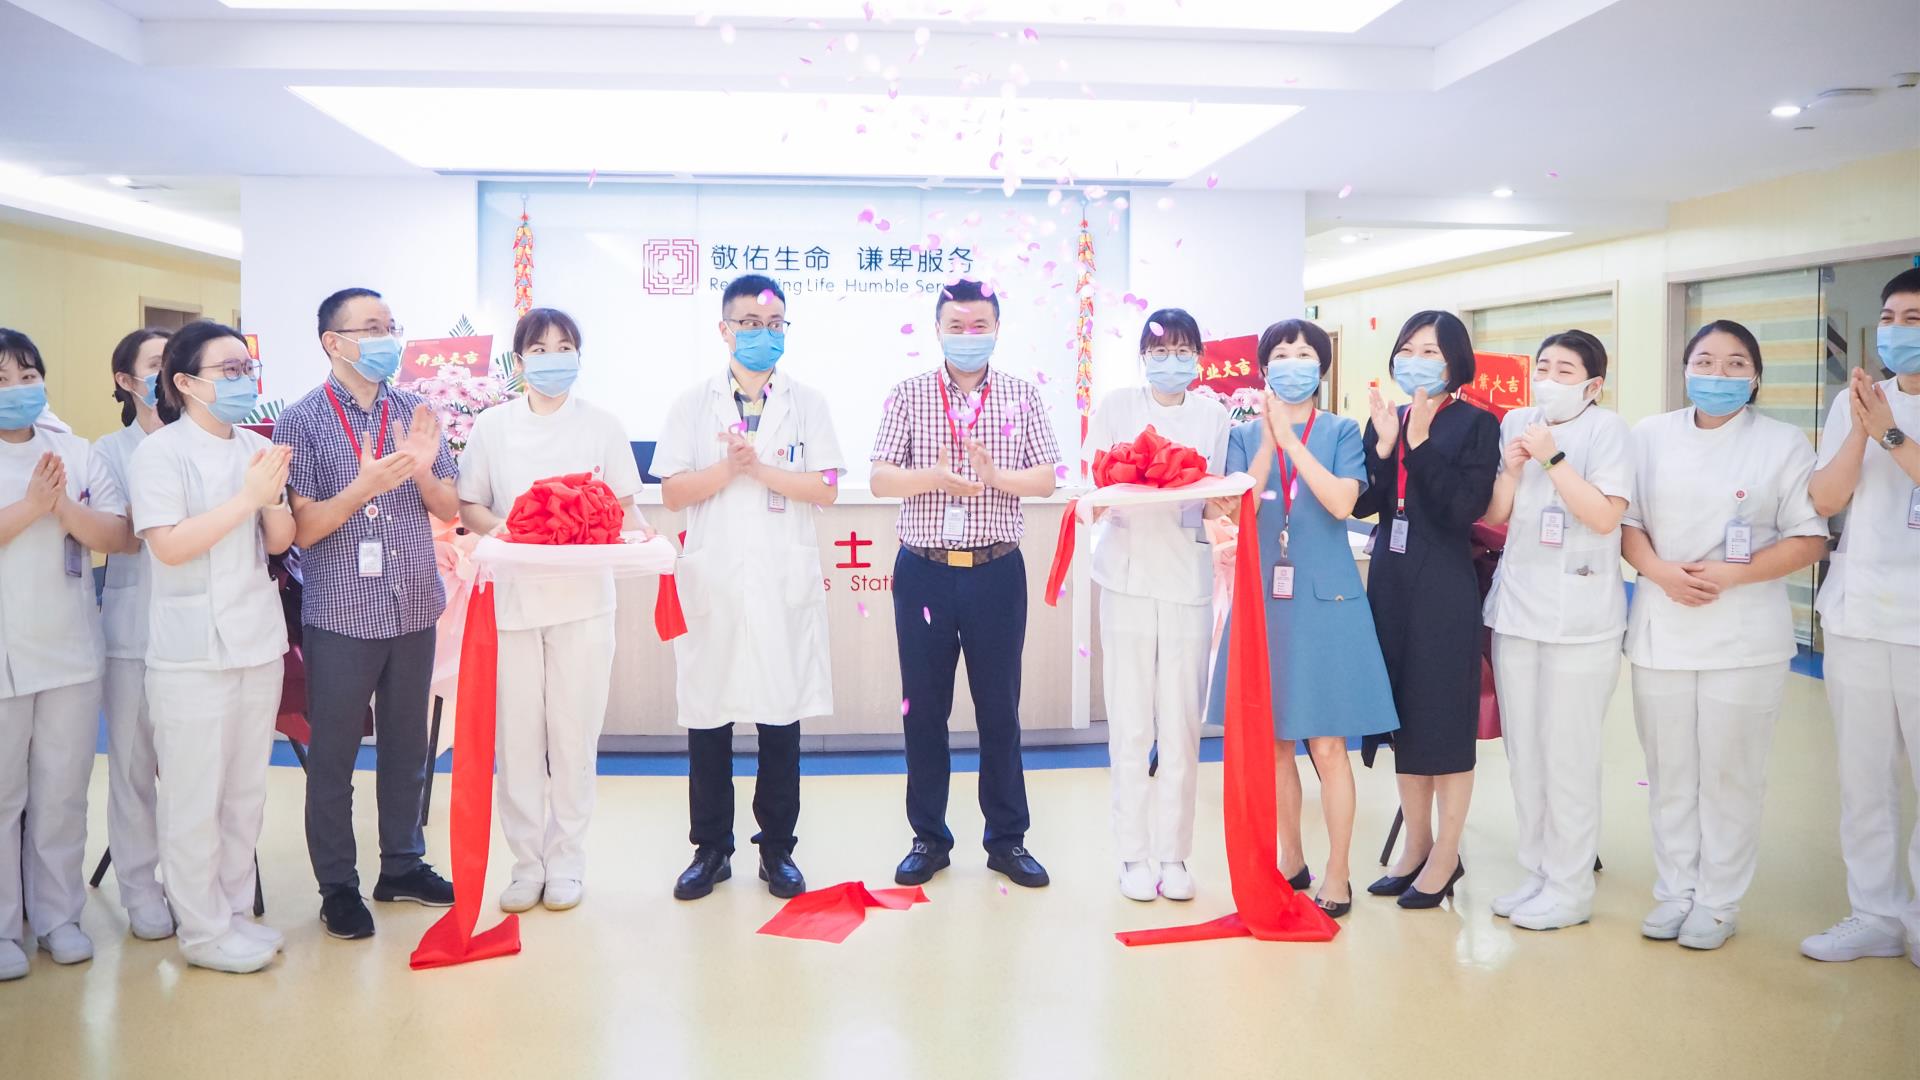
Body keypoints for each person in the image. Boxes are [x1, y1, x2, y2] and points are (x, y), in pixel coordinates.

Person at [1621, 319, 1826, 951]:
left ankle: (1717, 901)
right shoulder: (1650, 435)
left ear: (1756, 376)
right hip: (1662, 624)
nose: (1719, 373)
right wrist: (1659, 572)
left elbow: (1809, 538)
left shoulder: (1782, 442)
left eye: (1736, 363)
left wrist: (1733, 575)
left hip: (1744, 634)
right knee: (1669, 770)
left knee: (1731, 773)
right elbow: (1627, 522)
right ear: (1685, 368)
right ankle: (1675, 891)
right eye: (1706, 361)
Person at [274, 287, 458, 940]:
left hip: (413, 605)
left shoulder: (414, 412)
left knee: (408, 748)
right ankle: (338, 886)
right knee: (335, 756)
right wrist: (366, 486)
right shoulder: (301, 421)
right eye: (371, 327)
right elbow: (302, 530)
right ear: (334, 342)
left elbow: (448, 508)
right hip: (342, 615)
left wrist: (424, 471)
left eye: (390, 325)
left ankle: (402, 865)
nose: (387, 338)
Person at [653, 275, 844, 902]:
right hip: (714, 580)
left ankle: (778, 850)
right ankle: (710, 851)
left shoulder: (807, 402)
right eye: (751, 324)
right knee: (708, 718)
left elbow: (825, 488)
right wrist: (727, 469)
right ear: (724, 329)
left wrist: (759, 469)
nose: (764, 335)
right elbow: (672, 493)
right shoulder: (692, 403)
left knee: (779, 716)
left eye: (774, 325)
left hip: (780, 577)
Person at [871, 278, 1061, 889]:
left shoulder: (1021, 395)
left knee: (999, 709)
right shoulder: (908, 394)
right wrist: (932, 476)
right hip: (924, 571)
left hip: (995, 572)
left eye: (979, 326)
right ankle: (929, 838)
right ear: (938, 330)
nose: (968, 336)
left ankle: (1007, 840)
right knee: (924, 710)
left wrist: (995, 476)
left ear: (997, 329)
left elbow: (1046, 479)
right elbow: (879, 479)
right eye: (956, 326)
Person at [458, 307, 648, 914]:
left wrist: (642, 537)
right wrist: (513, 533)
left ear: (579, 355)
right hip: (513, 602)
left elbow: (624, 508)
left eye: (564, 346)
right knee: (517, 741)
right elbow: (470, 505)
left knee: (573, 738)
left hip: (585, 603)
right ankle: (525, 865)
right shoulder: (493, 427)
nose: (553, 358)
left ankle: (566, 861)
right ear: (520, 362)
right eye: (539, 349)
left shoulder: (603, 425)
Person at [1208, 318, 1399, 918]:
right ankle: (1290, 859)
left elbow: (1342, 502)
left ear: (1321, 367)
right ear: (1264, 368)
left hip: (1328, 604)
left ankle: (1339, 871)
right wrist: (1268, 444)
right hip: (1265, 604)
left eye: (1304, 354)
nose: (1293, 364)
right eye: (1282, 355)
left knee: (1329, 745)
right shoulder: (1241, 436)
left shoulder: (1341, 431)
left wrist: (1293, 444)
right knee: (1275, 744)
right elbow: (1236, 512)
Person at [129, 321, 293, 974]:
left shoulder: (258, 447)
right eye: (228, 370)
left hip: (256, 640)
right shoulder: (160, 454)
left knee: (244, 792)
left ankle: (233, 912)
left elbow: (278, 542)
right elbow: (168, 546)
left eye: (246, 368)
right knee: (194, 796)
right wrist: (247, 498)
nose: (243, 380)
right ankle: (200, 931)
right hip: (190, 652)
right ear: (186, 382)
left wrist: (271, 500)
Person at [1480, 329, 1631, 931]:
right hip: (1518, 608)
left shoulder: (1608, 430)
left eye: (1565, 371)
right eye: (1542, 367)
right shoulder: (1516, 421)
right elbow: (1495, 514)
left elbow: (1603, 516)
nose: (1548, 379)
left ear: (1593, 385)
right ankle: (1538, 871)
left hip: (1582, 616)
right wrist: (1512, 470)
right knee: (1526, 753)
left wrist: (1552, 458)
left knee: (1568, 754)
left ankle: (1571, 887)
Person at [1083, 308, 1230, 903]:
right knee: (1129, 723)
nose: (1172, 361)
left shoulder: (1214, 415)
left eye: (1183, 350)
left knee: (1181, 726)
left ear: (1199, 357)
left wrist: (1225, 500)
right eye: (1160, 350)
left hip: (1187, 579)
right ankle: (1132, 854)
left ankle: (1174, 854)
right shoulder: (1116, 406)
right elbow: (1095, 486)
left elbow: (1217, 496)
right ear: (1143, 356)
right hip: (1125, 576)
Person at [1354, 310, 1500, 909]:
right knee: (1404, 718)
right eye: (1408, 349)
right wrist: (1385, 445)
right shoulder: (1388, 417)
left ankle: (1446, 853)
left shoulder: (1477, 424)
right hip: (1391, 581)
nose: (1416, 361)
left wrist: (1417, 447)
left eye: (1431, 351)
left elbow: (1462, 509)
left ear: (1456, 361)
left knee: (1444, 720)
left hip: (1443, 584)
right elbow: (1367, 504)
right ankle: (1415, 844)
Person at [0, 328, 132, 980]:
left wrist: (65, 513)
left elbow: (120, 534)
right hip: (6, 652)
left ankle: (59, 917)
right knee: (4, 797)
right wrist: (32, 507)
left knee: (62, 792)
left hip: (72, 650)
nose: (18, 390)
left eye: (27, 376)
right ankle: (4, 928)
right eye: (2, 380)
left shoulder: (74, 451)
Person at [1800, 269, 1920, 969]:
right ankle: (1875, 913)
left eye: (1915, 319)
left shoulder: (1886, 417)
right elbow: (1824, 498)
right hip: (1861, 614)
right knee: (1864, 778)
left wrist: (1891, 433)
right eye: (1891, 318)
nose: (1899, 331)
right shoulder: (1856, 405)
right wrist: (1859, 428)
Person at [92, 327, 177, 942]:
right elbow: (122, 531)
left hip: (195, 635)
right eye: (155, 364)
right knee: (131, 769)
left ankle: (191, 883)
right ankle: (141, 890)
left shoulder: (205, 441)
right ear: (127, 381)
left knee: (193, 772)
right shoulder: (107, 452)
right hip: (132, 632)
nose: (167, 373)